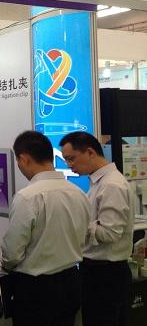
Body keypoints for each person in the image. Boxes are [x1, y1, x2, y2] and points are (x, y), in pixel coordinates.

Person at [1, 131, 90, 326]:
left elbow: (13, 251)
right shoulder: (79, 193)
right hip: (72, 280)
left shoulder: (27, 196)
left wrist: (6, 264)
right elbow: (86, 235)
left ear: (24, 159)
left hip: (36, 289)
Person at [60, 131, 135, 326]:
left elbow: (110, 233)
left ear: (90, 152)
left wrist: (77, 222)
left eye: (71, 159)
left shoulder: (111, 185)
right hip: (98, 271)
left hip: (106, 274)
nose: (69, 165)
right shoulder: (100, 182)